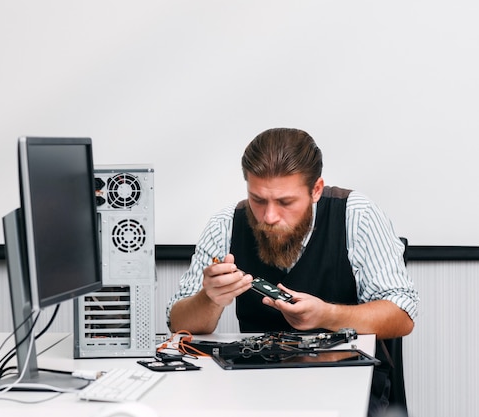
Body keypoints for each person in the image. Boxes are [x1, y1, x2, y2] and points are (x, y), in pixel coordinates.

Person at [166, 127, 419, 417]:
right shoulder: (227, 223)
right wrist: (209, 299)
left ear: (316, 190)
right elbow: (179, 325)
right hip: (254, 385)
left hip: (346, 385)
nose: (269, 217)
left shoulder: (357, 215)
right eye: (258, 200)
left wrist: (327, 315)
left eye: (285, 203)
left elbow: (403, 316)